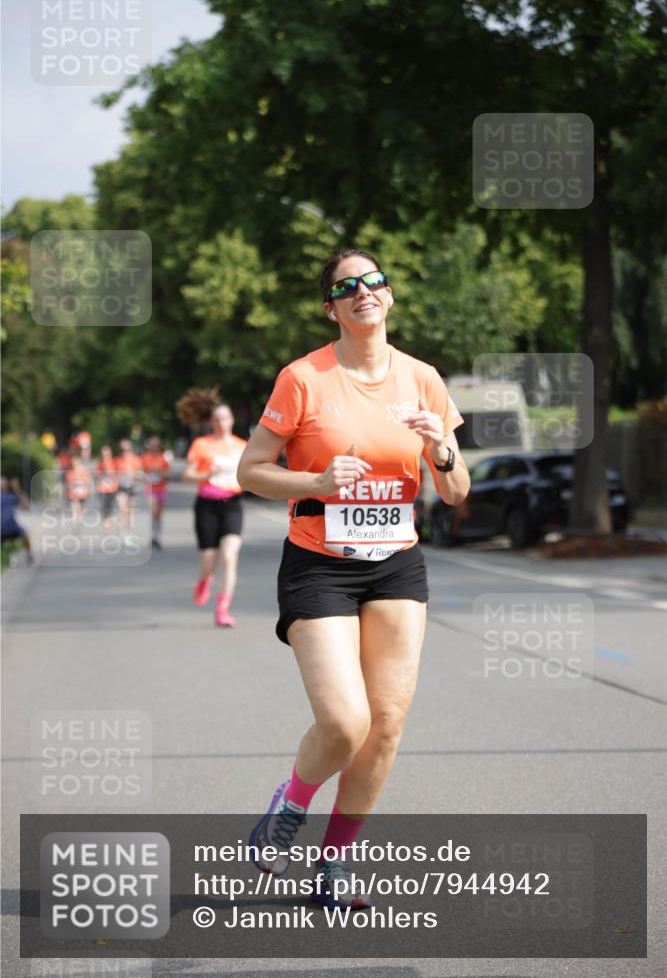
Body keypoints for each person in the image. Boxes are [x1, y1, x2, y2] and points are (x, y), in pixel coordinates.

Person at [237, 248, 470, 909]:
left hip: (396, 561)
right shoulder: (302, 378)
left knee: (385, 725)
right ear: (331, 308)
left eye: (373, 281)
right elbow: (250, 470)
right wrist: (314, 480)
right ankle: (289, 806)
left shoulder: (423, 379)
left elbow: (455, 490)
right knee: (344, 722)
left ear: (388, 295)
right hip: (319, 561)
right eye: (347, 286)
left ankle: (333, 865)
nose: (363, 290)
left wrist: (440, 448)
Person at [177, 390, 247, 628]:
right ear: (211, 422)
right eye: (217, 419)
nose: (221, 423)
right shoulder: (202, 445)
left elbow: (251, 474)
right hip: (207, 505)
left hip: (232, 505)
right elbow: (187, 476)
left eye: (225, 418)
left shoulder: (242, 446)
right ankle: (204, 580)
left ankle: (222, 610)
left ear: (232, 420)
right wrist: (207, 474)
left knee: (229, 557)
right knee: (209, 560)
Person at [141, 436, 170, 550]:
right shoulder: (144, 457)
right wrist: (145, 476)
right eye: (152, 445)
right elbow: (139, 472)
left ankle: (157, 536)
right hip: (150, 488)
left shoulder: (163, 458)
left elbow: (168, 475)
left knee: (158, 514)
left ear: (159, 446)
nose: (154, 447)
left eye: (156, 445)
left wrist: (159, 473)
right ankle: (153, 536)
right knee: (153, 510)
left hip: (161, 488)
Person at [114, 439, 142, 546]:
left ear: (131, 449)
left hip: (132, 487)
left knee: (130, 512)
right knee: (122, 510)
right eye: (122, 449)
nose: (125, 451)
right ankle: (122, 534)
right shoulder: (117, 460)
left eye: (127, 449)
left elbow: (140, 473)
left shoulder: (135, 459)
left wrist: (135, 475)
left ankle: (128, 533)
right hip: (121, 488)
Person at [1, 476, 33, 563]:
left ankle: (29, 556)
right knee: (26, 534)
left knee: (25, 533)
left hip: (11, 527)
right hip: (11, 528)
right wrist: (17, 489)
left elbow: (26, 505)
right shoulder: (11, 496)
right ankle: (29, 556)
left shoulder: (10, 497)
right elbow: (26, 504)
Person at [95, 445, 119, 535]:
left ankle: (108, 522)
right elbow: (97, 475)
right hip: (102, 488)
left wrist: (112, 474)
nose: (105, 455)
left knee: (110, 507)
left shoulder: (114, 462)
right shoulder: (100, 463)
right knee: (104, 507)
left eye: (107, 453)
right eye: (103, 453)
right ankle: (106, 524)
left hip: (112, 488)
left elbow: (118, 474)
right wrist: (103, 473)